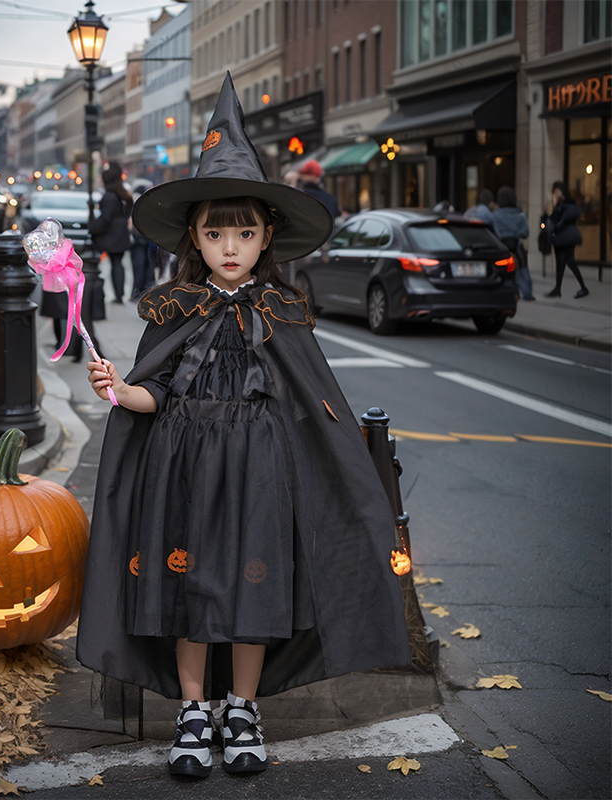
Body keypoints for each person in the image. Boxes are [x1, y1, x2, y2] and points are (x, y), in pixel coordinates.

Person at [76, 73, 409, 780]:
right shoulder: (177, 312)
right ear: (195, 238)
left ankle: (242, 707)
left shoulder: (283, 316)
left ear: (267, 240)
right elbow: (153, 396)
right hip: (183, 471)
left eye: (245, 231)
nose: (231, 245)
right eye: (216, 231)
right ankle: (193, 711)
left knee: (256, 588)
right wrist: (119, 390)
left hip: (262, 473)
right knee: (191, 587)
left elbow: (316, 406)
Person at [88, 161, 133, 304]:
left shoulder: (110, 196)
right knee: (117, 263)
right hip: (120, 235)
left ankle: (118, 296)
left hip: (113, 235)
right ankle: (119, 295)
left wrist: (92, 223)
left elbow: (105, 219)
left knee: (115, 264)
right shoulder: (123, 195)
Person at [545, 181, 588, 299]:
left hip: (566, 238)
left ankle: (583, 288)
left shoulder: (568, 204)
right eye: (554, 192)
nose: (556, 194)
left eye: (557, 191)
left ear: (563, 191)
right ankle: (558, 289)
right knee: (560, 263)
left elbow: (562, 219)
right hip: (561, 238)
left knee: (569, 261)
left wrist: (557, 208)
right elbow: (553, 219)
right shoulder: (560, 205)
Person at [492, 186, 534, 301]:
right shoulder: (520, 215)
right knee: (522, 271)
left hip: (502, 249)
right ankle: (526, 294)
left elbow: (495, 233)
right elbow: (525, 233)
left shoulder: (495, 216)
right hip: (516, 248)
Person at [129, 183, 155, 301]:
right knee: (147, 266)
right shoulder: (151, 204)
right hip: (148, 240)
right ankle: (144, 291)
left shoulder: (135, 204)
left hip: (139, 240)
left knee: (139, 266)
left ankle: (137, 291)